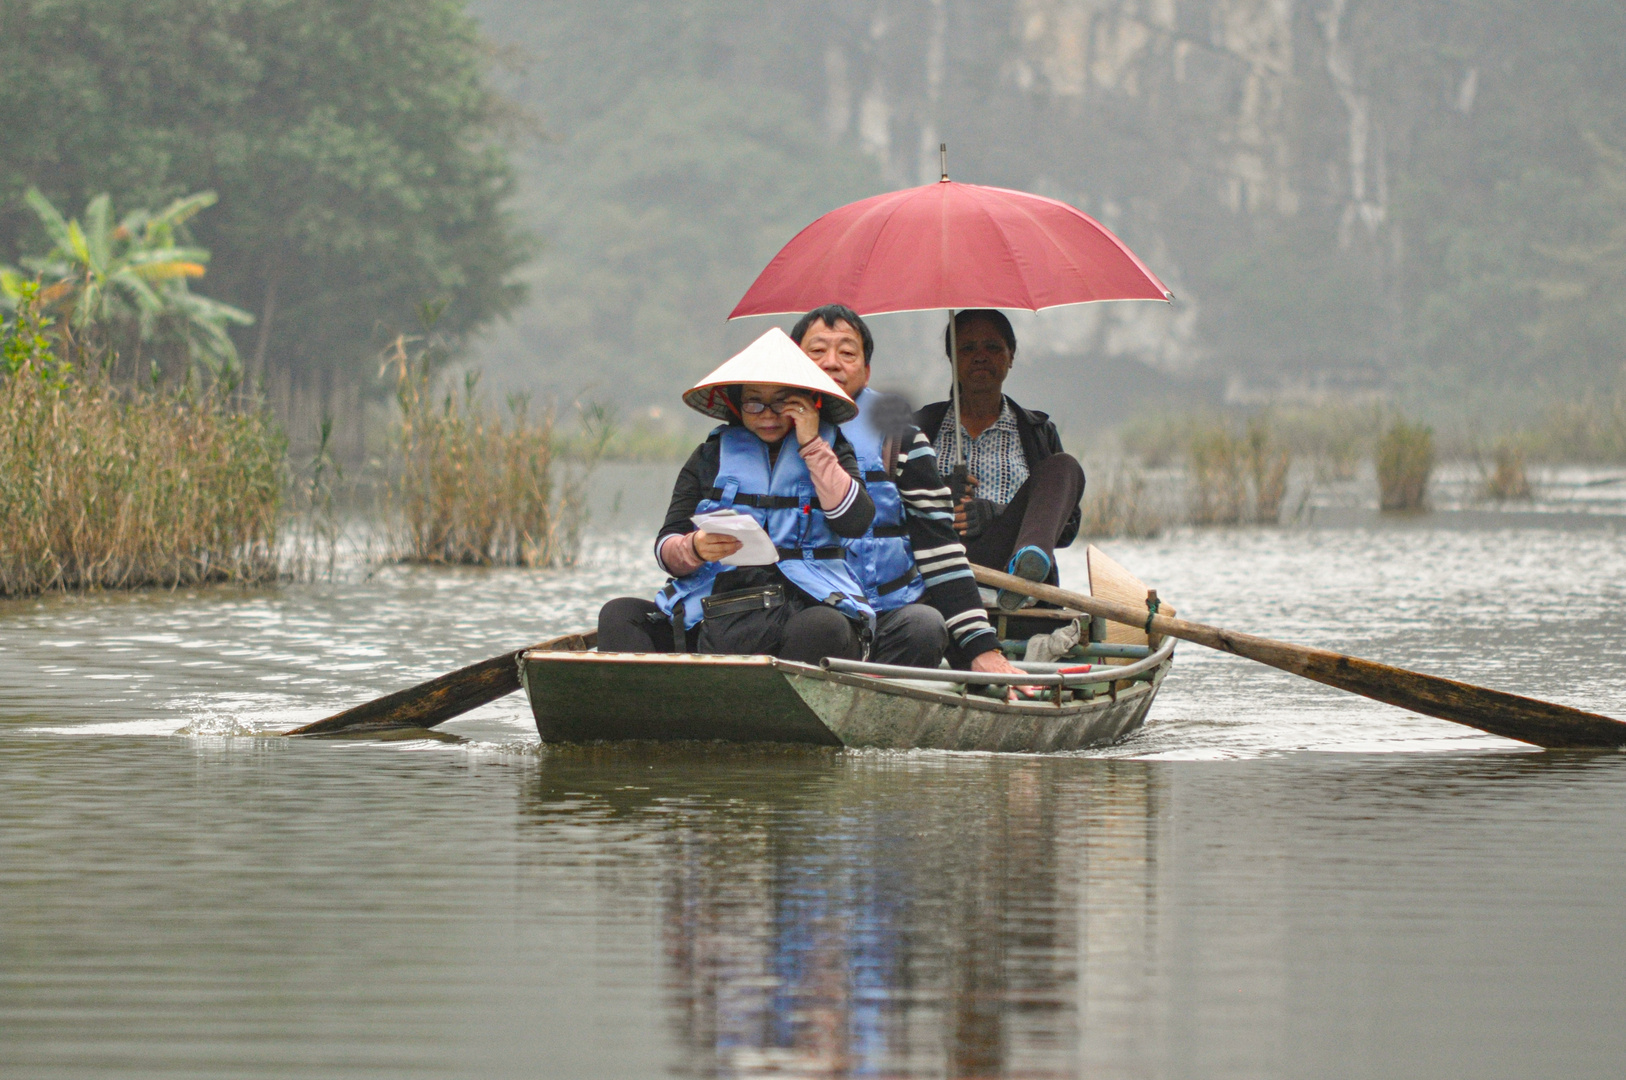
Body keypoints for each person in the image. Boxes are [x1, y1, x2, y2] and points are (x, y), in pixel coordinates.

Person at [597, 327, 875, 663]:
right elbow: (666, 544)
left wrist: (812, 445)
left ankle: (775, 706)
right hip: (719, 609)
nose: (768, 414)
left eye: (783, 402)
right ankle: (660, 705)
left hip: (806, 607)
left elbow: (855, 520)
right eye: (754, 403)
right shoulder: (709, 456)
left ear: (807, 403)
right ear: (736, 405)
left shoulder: (832, 448)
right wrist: (694, 548)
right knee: (619, 615)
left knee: (823, 627)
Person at [791, 303, 1034, 680]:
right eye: (817, 351)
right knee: (821, 626)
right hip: (803, 617)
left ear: (866, 370)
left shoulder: (900, 438)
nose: (832, 363)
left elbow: (940, 548)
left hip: (889, 613)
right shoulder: (765, 432)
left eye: (847, 352)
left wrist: (981, 646)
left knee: (925, 626)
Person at [915, 309, 1085, 612]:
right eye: (967, 348)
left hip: (1007, 571)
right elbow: (885, 511)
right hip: (939, 568)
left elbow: (1067, 528)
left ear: (1010, 356)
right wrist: (936, 492)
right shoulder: (921, 426)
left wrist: (996, 513)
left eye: (992, 347)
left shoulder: (1036, 431)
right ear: (952, 359)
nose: (980, 356)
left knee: (1065, 465)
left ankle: (1024, 571)